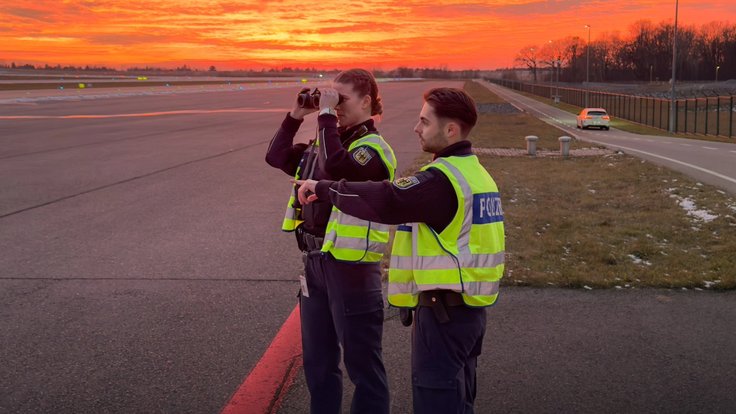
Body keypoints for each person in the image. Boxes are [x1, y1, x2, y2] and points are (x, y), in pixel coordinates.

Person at [296, 87, 505, 413]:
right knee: (459, 400)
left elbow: (387, 200)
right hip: (469, 311)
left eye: (424, 122)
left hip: (444, 317)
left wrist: (324, 188)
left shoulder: (441, 180)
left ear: (450, 130)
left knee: (436, 400)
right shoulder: (476, 174)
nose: (415, 128)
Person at [265, 68, 395, 414]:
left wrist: (324, 115)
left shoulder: (373, 150)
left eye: (341, 100)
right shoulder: (322, 145)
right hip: (315, 263)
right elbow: (276, 157)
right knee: (318, 363)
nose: (333, 107)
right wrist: (297, 114)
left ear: (367, 102)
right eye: (330, 99)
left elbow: (339, 166)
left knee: (363, 367)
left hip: (351, 269)